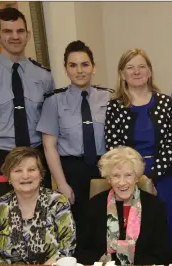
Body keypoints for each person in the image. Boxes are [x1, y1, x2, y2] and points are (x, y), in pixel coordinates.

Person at [0, 7, 55, 188]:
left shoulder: (43, 76)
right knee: (0, 214)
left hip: (36, 157)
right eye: (7, 31)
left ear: (28, 35)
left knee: (41, 213)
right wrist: (0, 140)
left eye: (20, 31)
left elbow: (50, 121)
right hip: (0, 158)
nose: (15, 36)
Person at [105, 48, 172, 248]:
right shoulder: (114, 106)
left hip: (164, 178)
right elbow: (114, 147)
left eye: (141, 67)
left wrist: (153, 176)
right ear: (122, 73)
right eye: (130, 67)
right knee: (135, 234)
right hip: (127, 180)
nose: (136, 71)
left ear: (149, 72)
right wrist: (137, 178)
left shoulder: (165, 102)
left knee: (168, 230)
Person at [37, 40, 112, 229]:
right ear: (66, 69)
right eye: (73, 65)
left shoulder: (109, 97)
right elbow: (49, 146)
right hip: (71, 171)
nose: (79, 70)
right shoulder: (54, 101)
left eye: (85, 64)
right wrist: (61, 184)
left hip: (104, 168)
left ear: (93, 68)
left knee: (105, 223)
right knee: (75, 225)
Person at [0, 147, 76, 264]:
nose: (25, 176)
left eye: (31, 170)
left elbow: (68, 245)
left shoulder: (58, 202)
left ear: (41, 175)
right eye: (18, 171)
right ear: (9, 177)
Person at [76, 146, 171, 265]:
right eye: (116, 175)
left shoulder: (155, 206)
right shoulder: (93, 206)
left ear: (136, 177)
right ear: (109, 179)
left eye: (128, 175)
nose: (122, 182)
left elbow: (163, 255)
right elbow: (82, 252)